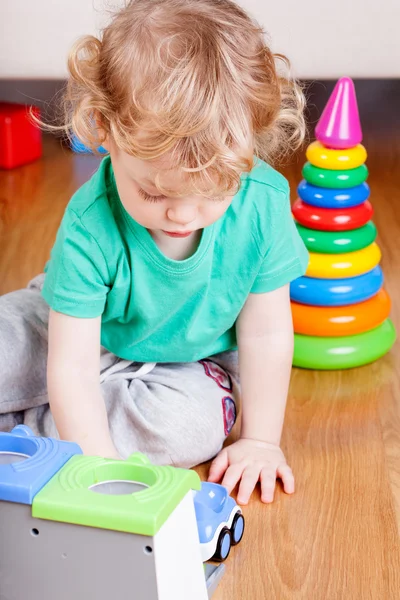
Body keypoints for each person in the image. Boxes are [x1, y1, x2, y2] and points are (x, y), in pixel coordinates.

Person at [0, 0, 309, 505]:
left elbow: (268, 331)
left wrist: (260, 440)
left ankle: (34, 427)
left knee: (181, 429)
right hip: (78, 328)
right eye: (155, 194)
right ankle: (57, 425)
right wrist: (98, 464)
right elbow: (72, 362)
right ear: (104, 130)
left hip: (193, 362)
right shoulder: (90, 220)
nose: (183, 216)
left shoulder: (264, 205)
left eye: (214, 192)